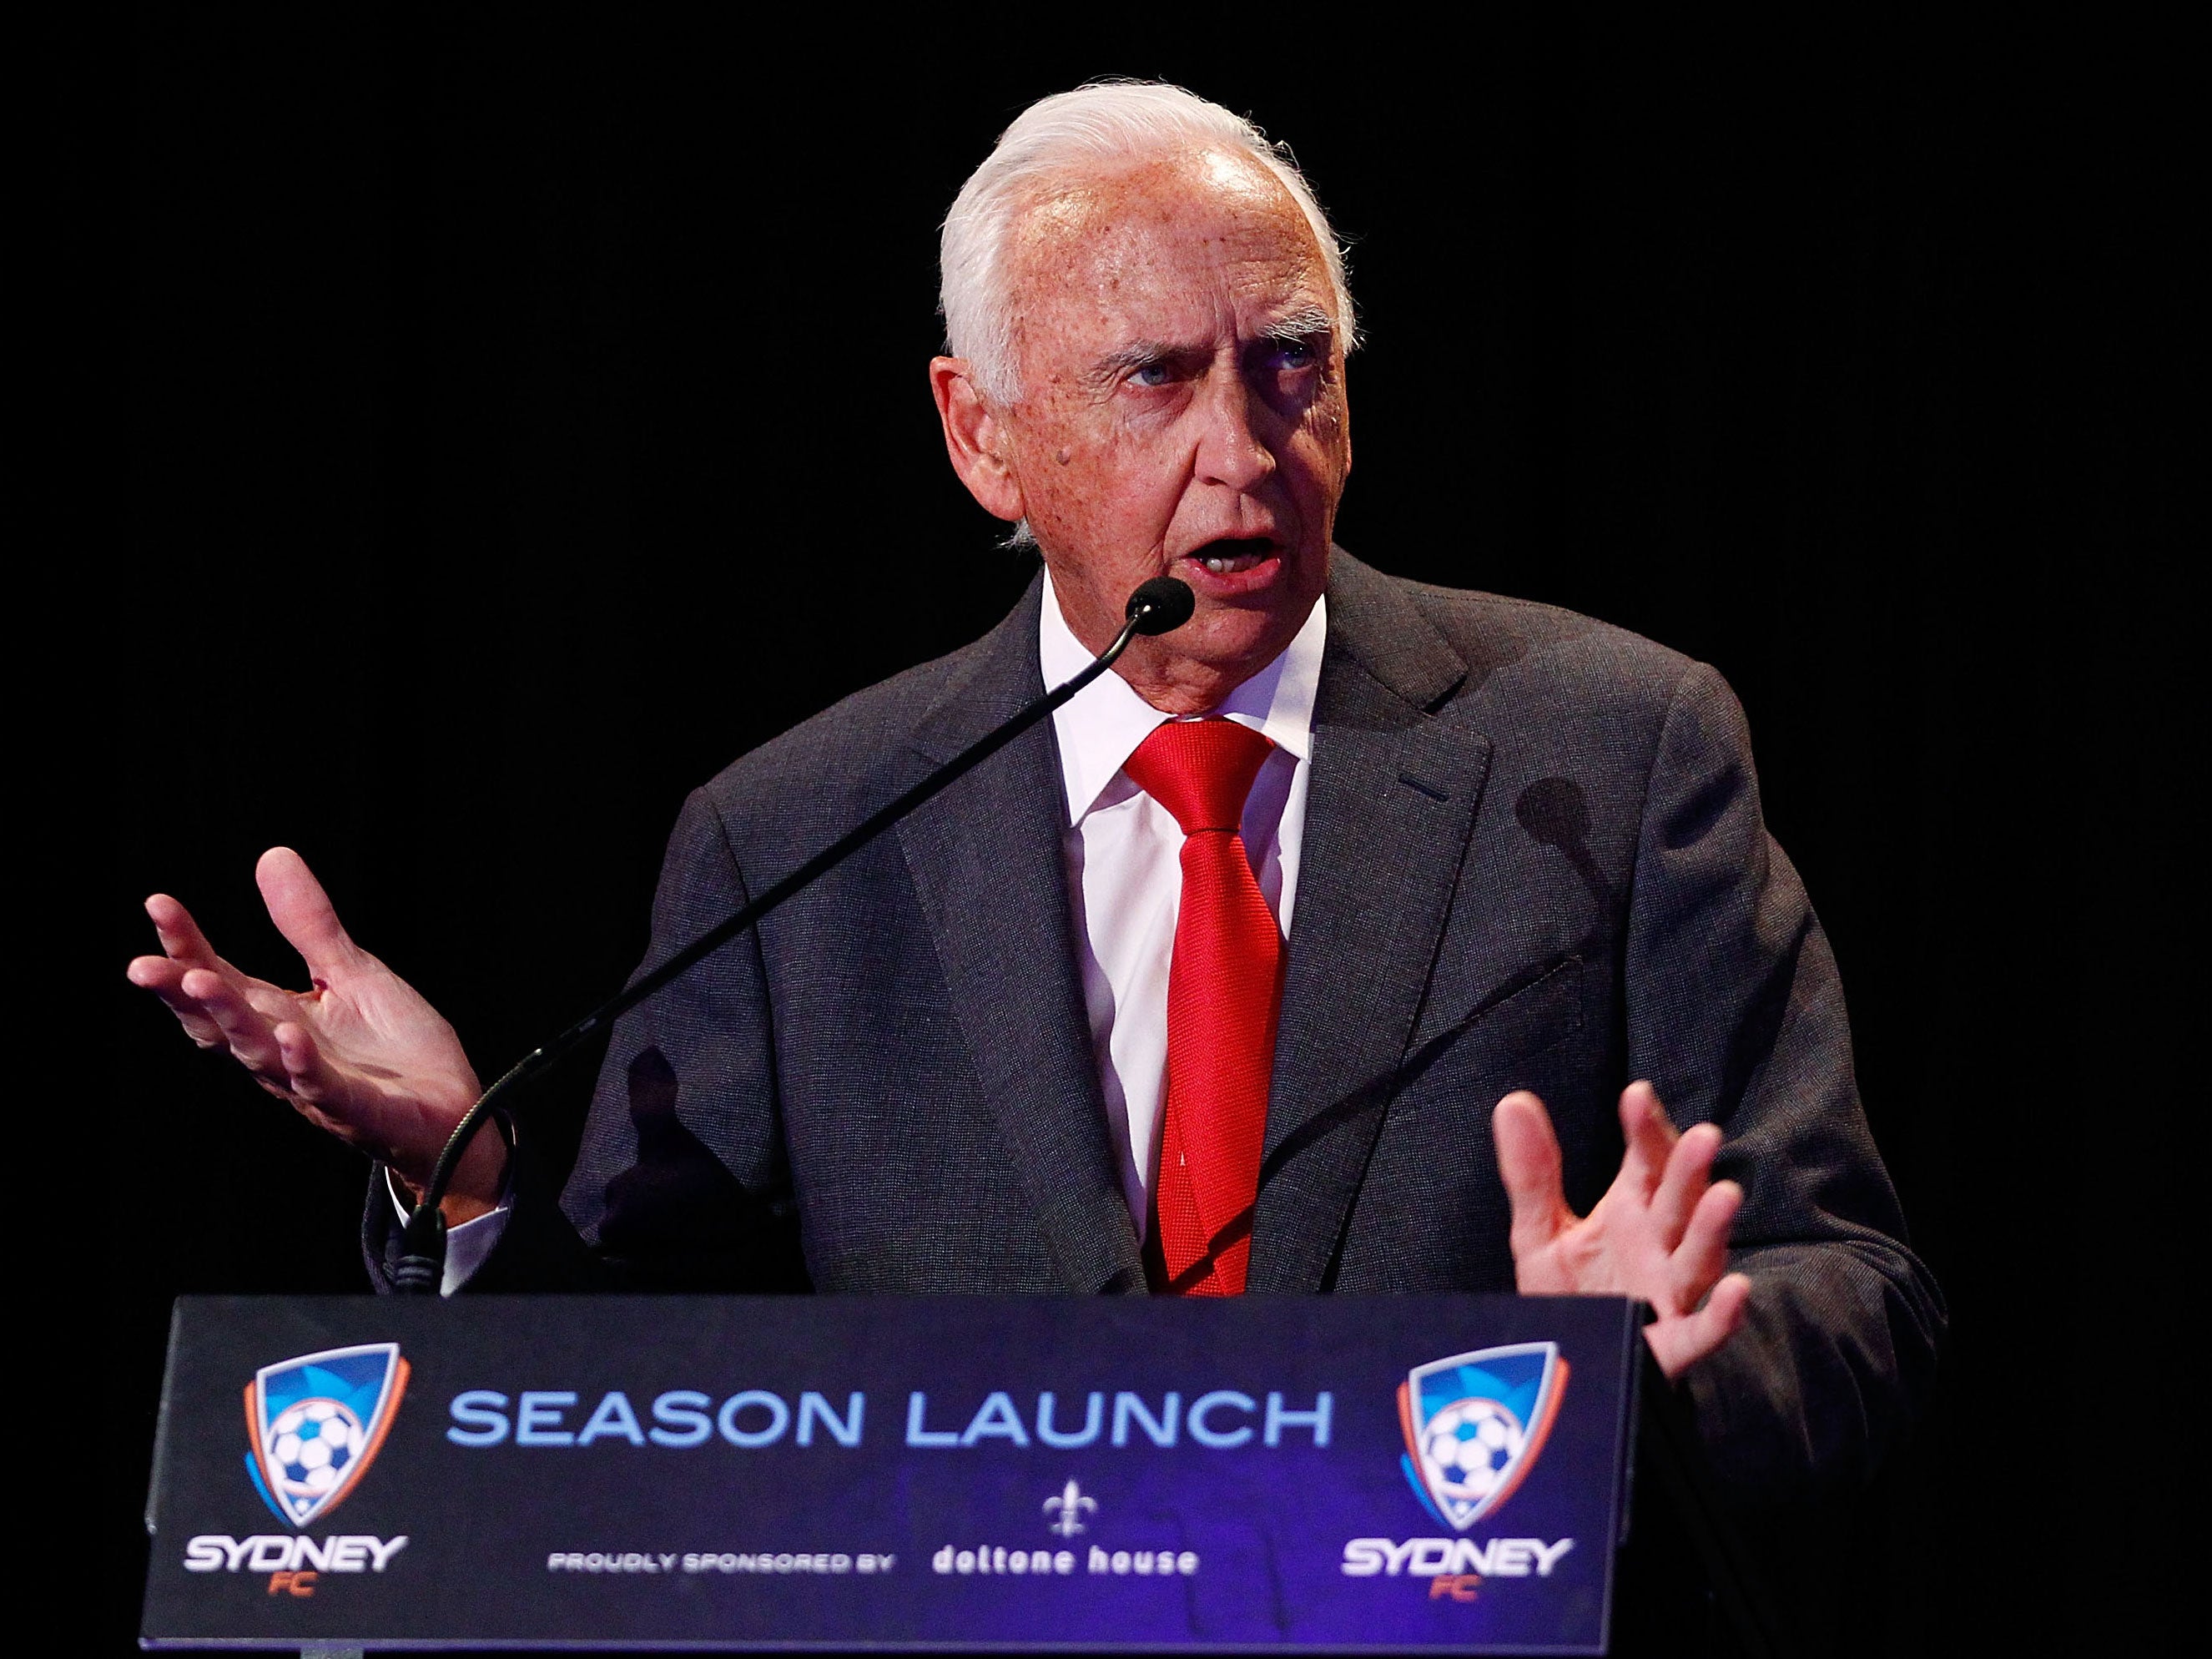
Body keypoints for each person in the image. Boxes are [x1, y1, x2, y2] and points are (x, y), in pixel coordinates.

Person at [127, 83, 1939, 1500]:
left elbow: (1855, 1294)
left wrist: (1675, 1365)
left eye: (1291, 364)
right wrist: (475, 1175)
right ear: (980, 435)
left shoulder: (1610, 757)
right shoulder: (797, 838)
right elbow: (640, 1399)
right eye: (1155, 378)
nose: (1244, 448)